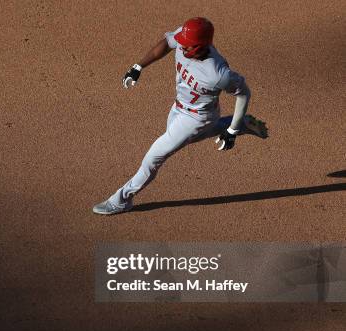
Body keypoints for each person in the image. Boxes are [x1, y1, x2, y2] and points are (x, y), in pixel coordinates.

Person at [93, 17, 267, 215]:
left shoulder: (218, 73)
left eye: (186, 44)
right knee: (184, 139)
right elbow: (167, 43)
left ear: (201, 45)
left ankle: (121, 200)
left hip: (197, 117)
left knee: (154, 157)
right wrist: (138, 67)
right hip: (179, 107)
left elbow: (244, 93)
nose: (181, 45)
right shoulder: (184, 38)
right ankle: (237, 123)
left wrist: (232, 132)